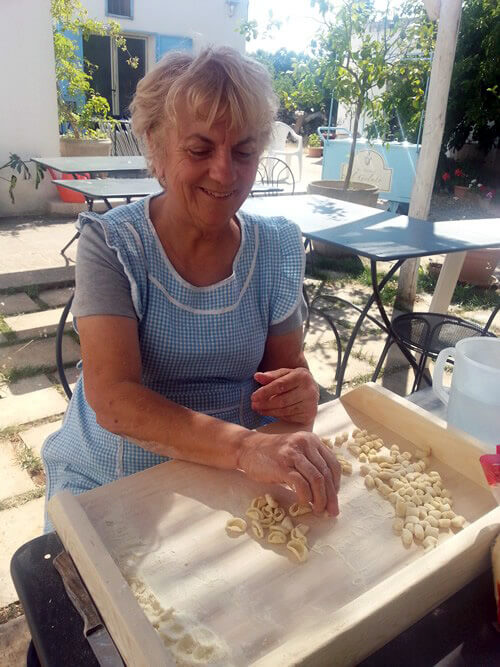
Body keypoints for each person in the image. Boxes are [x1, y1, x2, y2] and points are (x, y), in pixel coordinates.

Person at [42, 47, 340, 528]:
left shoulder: (277, 245)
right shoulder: (113, 244)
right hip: (111, 482)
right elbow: (114, 399)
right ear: (156, 151)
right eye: (200, 150)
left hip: (232, 489)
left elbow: (283, 373)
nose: (225, 172)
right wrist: (246, 447)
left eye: (243, 151)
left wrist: (299, 393)